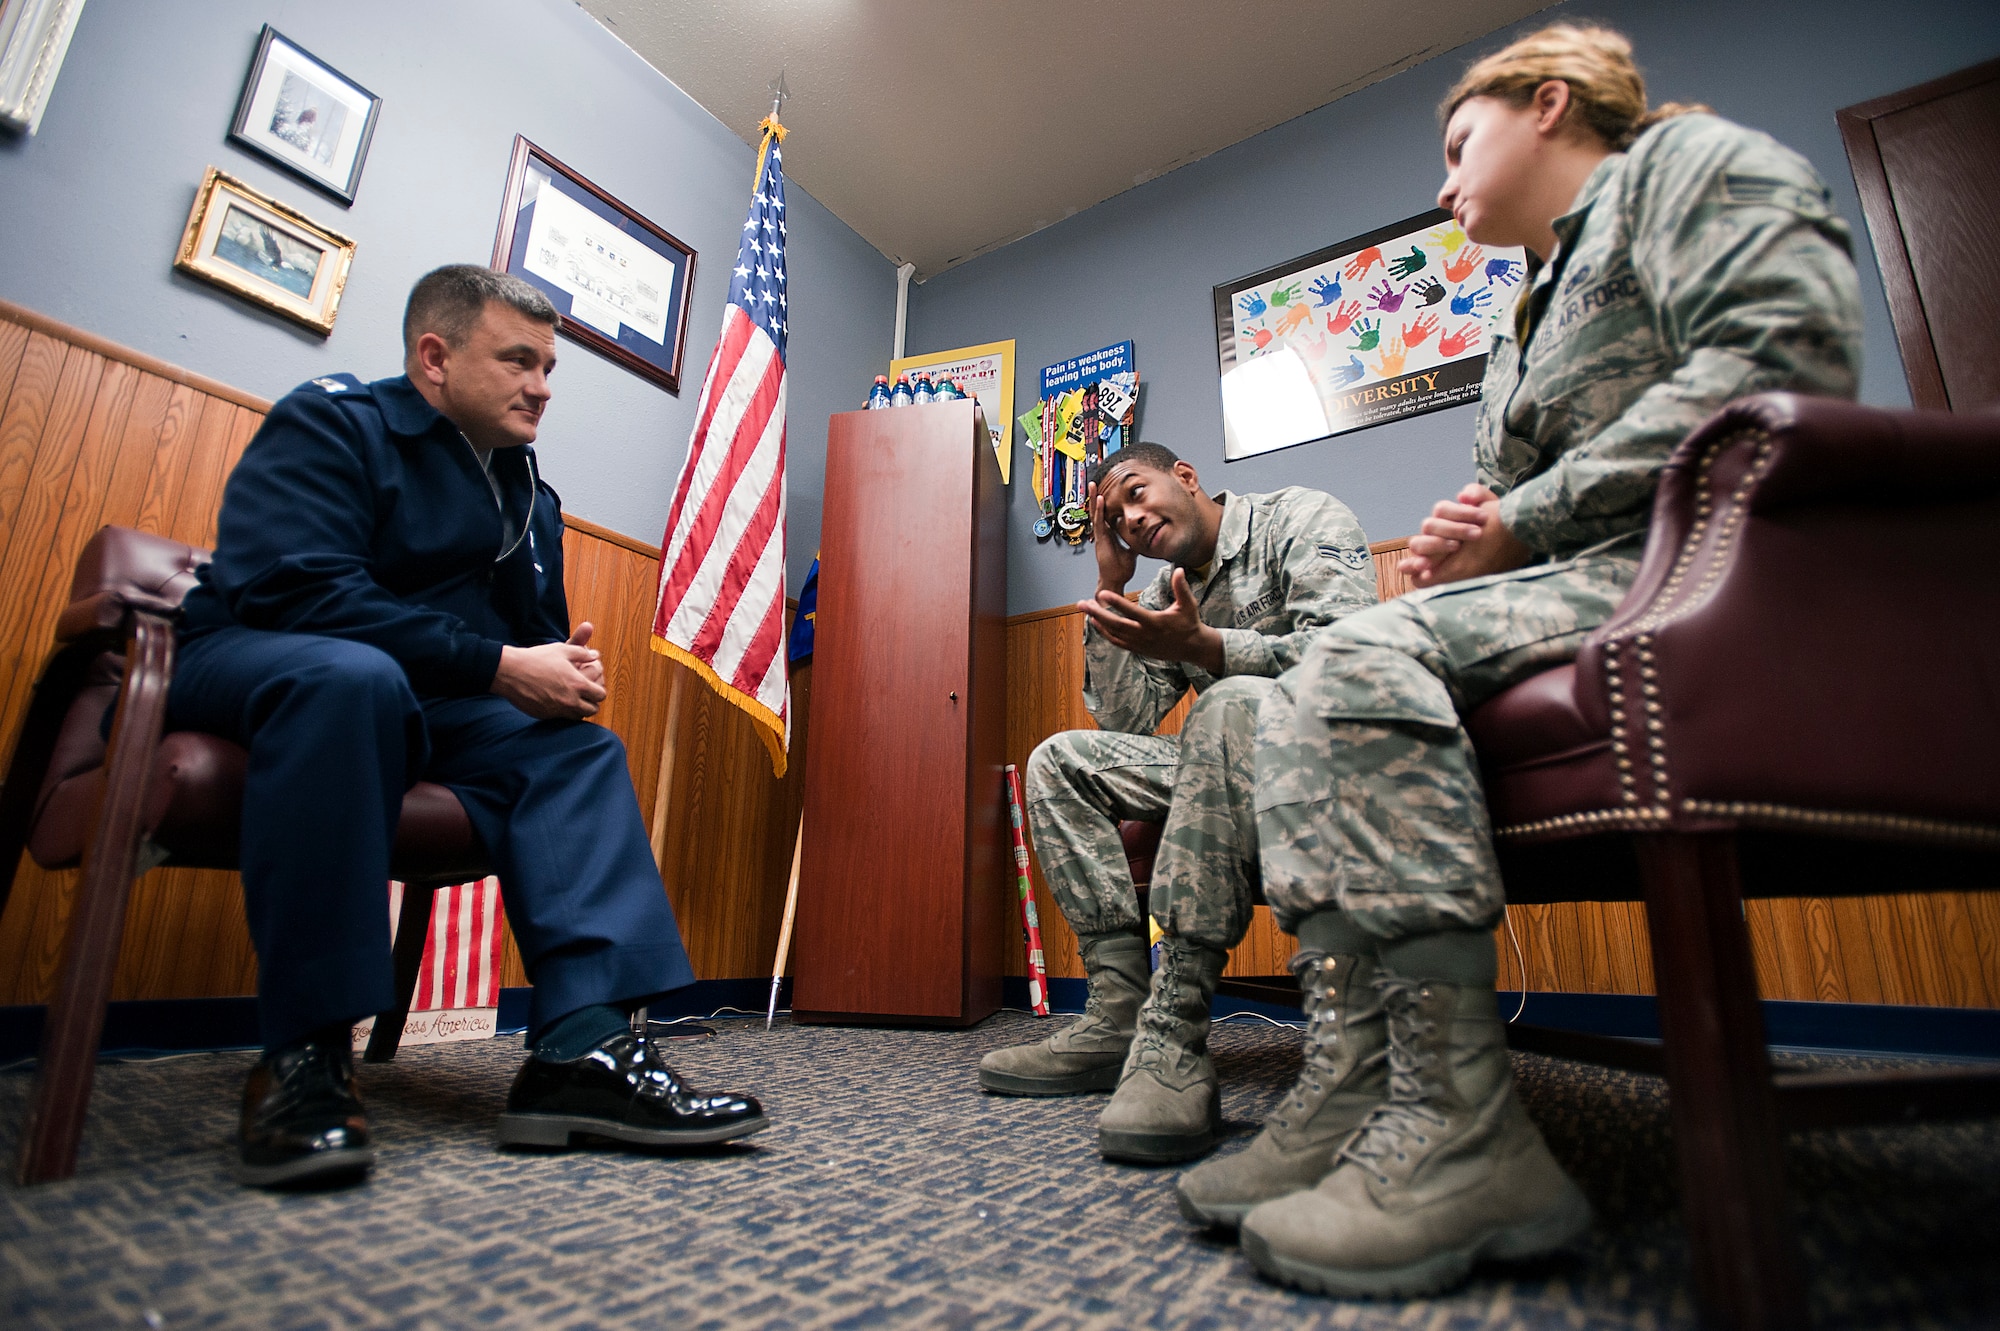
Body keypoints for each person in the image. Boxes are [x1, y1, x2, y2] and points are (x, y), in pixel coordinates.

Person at [1186, 25, 1864, 1296]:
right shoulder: (1517, 314)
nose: (1444, 185)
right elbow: (1511, 496)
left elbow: (1785, 360)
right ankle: (1354, 1084)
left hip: (1698, 566)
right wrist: (1464, 544)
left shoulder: (1686, 166)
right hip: (1578, 582)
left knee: (1343, 667)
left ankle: (1458, 1127)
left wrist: (1522, 524)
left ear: (1547, 104)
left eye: (1458, 145)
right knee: (1300, 682)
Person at [173, 265, 767, 1188]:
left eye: (549, 366)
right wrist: (497, 667)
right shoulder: (336, 421)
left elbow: (523, 646)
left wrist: (556, 673)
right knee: (352, 680)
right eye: (518, 359)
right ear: (436, 357)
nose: (542, 385)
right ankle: (304, 1057)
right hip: (262, 655)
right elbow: (299, 590)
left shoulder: (528, 495)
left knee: (574, 752)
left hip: (424, 700)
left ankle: (582, 1050)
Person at [977, 442, 1378, 1164]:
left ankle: (1179, 1019)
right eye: (1116, 520)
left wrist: (1213, 646)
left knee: (1230, 700)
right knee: (1060, 760)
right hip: (1215, 765)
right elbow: (1126, 725)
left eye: (1137, 493)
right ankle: (1117, 1014)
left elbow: (1346, 656)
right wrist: (1112, 587)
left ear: (1185, 478)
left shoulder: (1299, 516)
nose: (1131, 519)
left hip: (1322, 757)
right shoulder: (1162, 592)